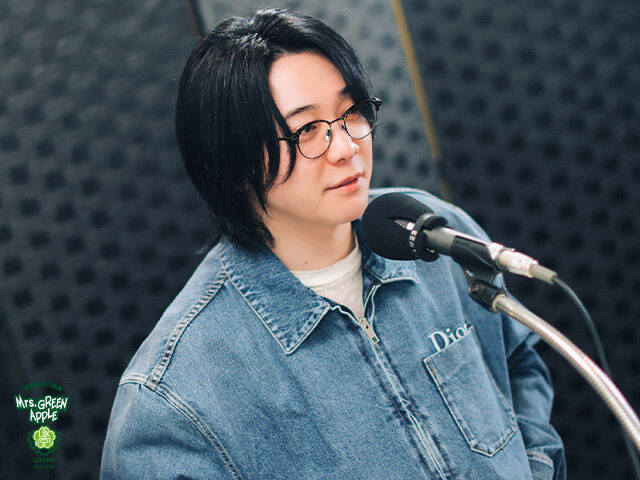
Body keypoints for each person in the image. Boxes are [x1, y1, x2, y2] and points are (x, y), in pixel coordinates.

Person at [100, 8, 565, 479]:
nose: (346, 147)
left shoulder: (433, 234)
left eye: (350, 112)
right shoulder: (173, 398)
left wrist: (535, 465)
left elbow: (517, 361)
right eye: (307, 130)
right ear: (235, 165)